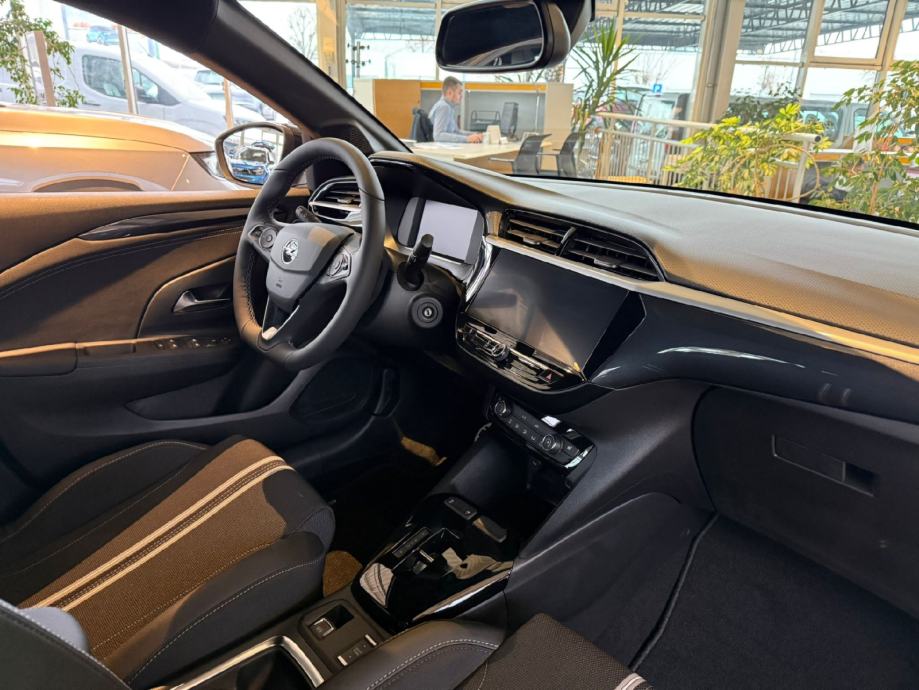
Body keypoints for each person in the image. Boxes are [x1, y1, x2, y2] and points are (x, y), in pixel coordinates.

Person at [428, 77, 483, 144]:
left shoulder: (449, 107)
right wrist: (467, 139)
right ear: (449, 93)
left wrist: (474, 134)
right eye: (459, 93)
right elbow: (438, 136)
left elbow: (455, 132)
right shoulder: (444, 107)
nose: (461, 96)